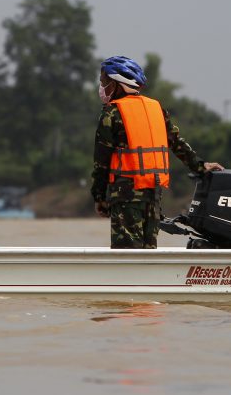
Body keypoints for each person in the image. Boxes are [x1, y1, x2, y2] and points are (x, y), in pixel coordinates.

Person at [91, 55, 224, 249]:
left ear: (118, 83)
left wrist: (99, 198)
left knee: (127, 256)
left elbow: (101, 162)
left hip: (126, 198)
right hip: (152, 197)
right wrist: (200, 166)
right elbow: (177, 143)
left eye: (104, 80)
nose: (102, 86)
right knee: (148, 253)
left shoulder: (111, 113)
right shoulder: (156, 109)